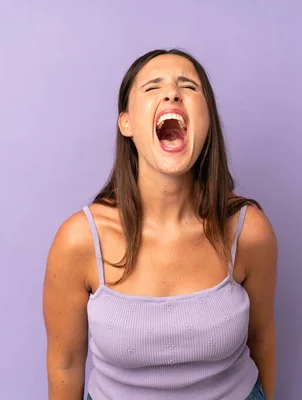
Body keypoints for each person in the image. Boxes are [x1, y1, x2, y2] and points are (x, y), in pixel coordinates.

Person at [42, 49, 278, 400]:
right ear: (126, 124)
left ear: (207, 119)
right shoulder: (79, 240)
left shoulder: (249, 231)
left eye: (188, 87)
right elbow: (66, 363)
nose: (171, 93)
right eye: (153, 87)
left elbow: (262, 339)